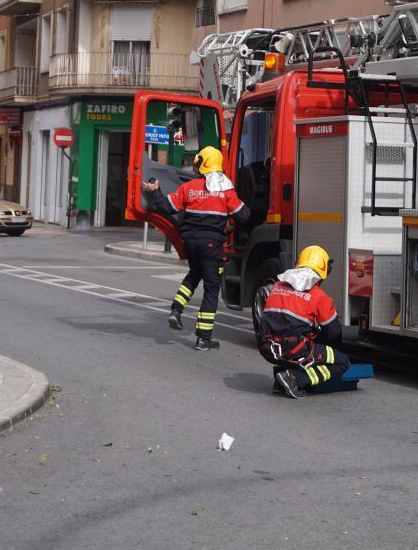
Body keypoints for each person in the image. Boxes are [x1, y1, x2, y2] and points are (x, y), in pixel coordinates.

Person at [142, 146, 249, 351]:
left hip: (190, 244)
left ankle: (176, 309)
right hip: (212, 247)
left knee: (194, 274)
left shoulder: (188, 187)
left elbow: (166, 207)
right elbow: (243, 215)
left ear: (201, 164)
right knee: (211, 291)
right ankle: (203, 338)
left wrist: (156, 192)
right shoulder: (225, 190)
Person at [257, 246, 351, 399]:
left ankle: (280, 380)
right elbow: (333, 332)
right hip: (292, 350)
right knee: (342, 362)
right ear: (323, 272)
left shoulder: (277, 286)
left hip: (267, 348)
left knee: (286, 333)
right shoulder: (319, 296)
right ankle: (295, 379)